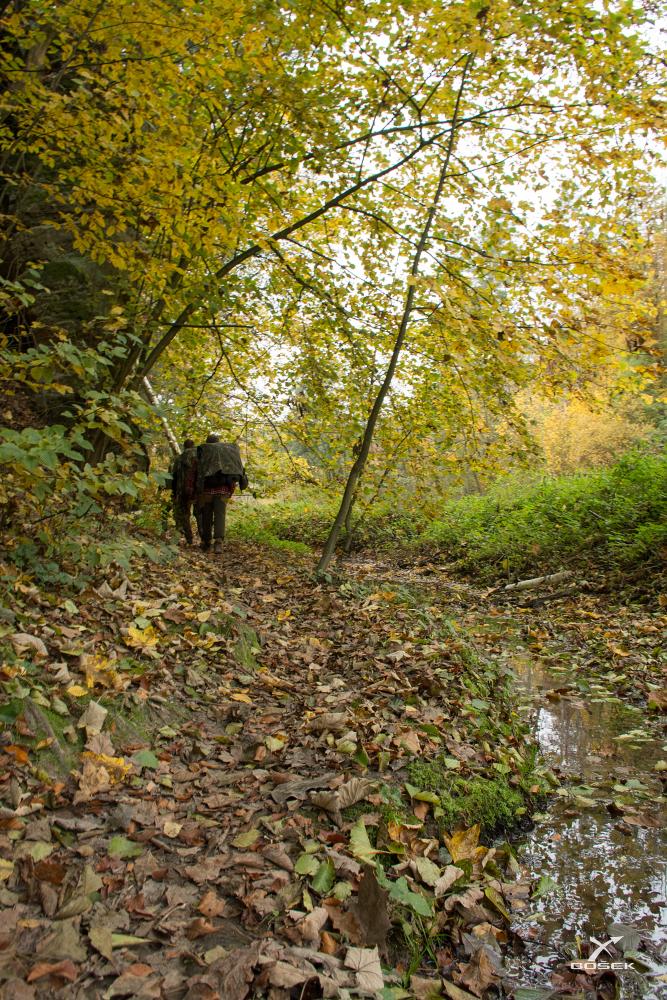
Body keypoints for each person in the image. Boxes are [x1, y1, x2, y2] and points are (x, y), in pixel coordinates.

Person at [195, 433, 248, 553]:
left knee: (206, 515)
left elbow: (198, 471)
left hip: (207, 490)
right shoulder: (227, 452)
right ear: (218, 442)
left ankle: (206, 542)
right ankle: (218, 543)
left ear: (207, 442)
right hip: (223, 490)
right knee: (220, 515)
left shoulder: (204, 451)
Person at [171, 438, 198, 544]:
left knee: (184, 514)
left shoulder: (179, 458)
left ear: (184, 447)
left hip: (182, 490)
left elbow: (174, 476)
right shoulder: (200, 456)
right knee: (200, 514)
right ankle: (205, 539)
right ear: (193, 446)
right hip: (198, 490)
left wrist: (174, 492)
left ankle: (188, 538)